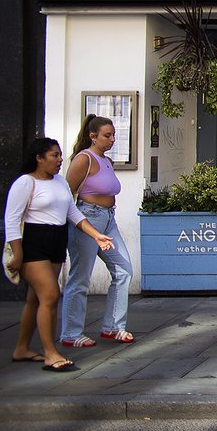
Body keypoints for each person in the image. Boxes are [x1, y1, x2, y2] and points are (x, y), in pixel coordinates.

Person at [4, 138, 114, 371]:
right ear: (39, 158)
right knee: (51, 296)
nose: (59, 160)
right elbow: (11, 220)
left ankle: (22, 348)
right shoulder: (25, 182)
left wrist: (96, 235)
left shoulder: (60, 183)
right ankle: (51, 353)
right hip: (34, 243)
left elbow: (73, 213)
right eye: (54, 155)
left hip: (56, 241)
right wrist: (17, 253)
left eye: (60, 155)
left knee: (36, 299)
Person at [59, 115, 135, 348]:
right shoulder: (84, 159)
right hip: (87, 218)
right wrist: (78, 224)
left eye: (113, 135)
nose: (112, 139)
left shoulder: (106, 160)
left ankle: (113, 327)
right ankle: (71, 334)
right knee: (80, 278)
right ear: (93, 136)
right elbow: (66, 195)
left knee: (123, 270)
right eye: (107, 135)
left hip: (108, 219)